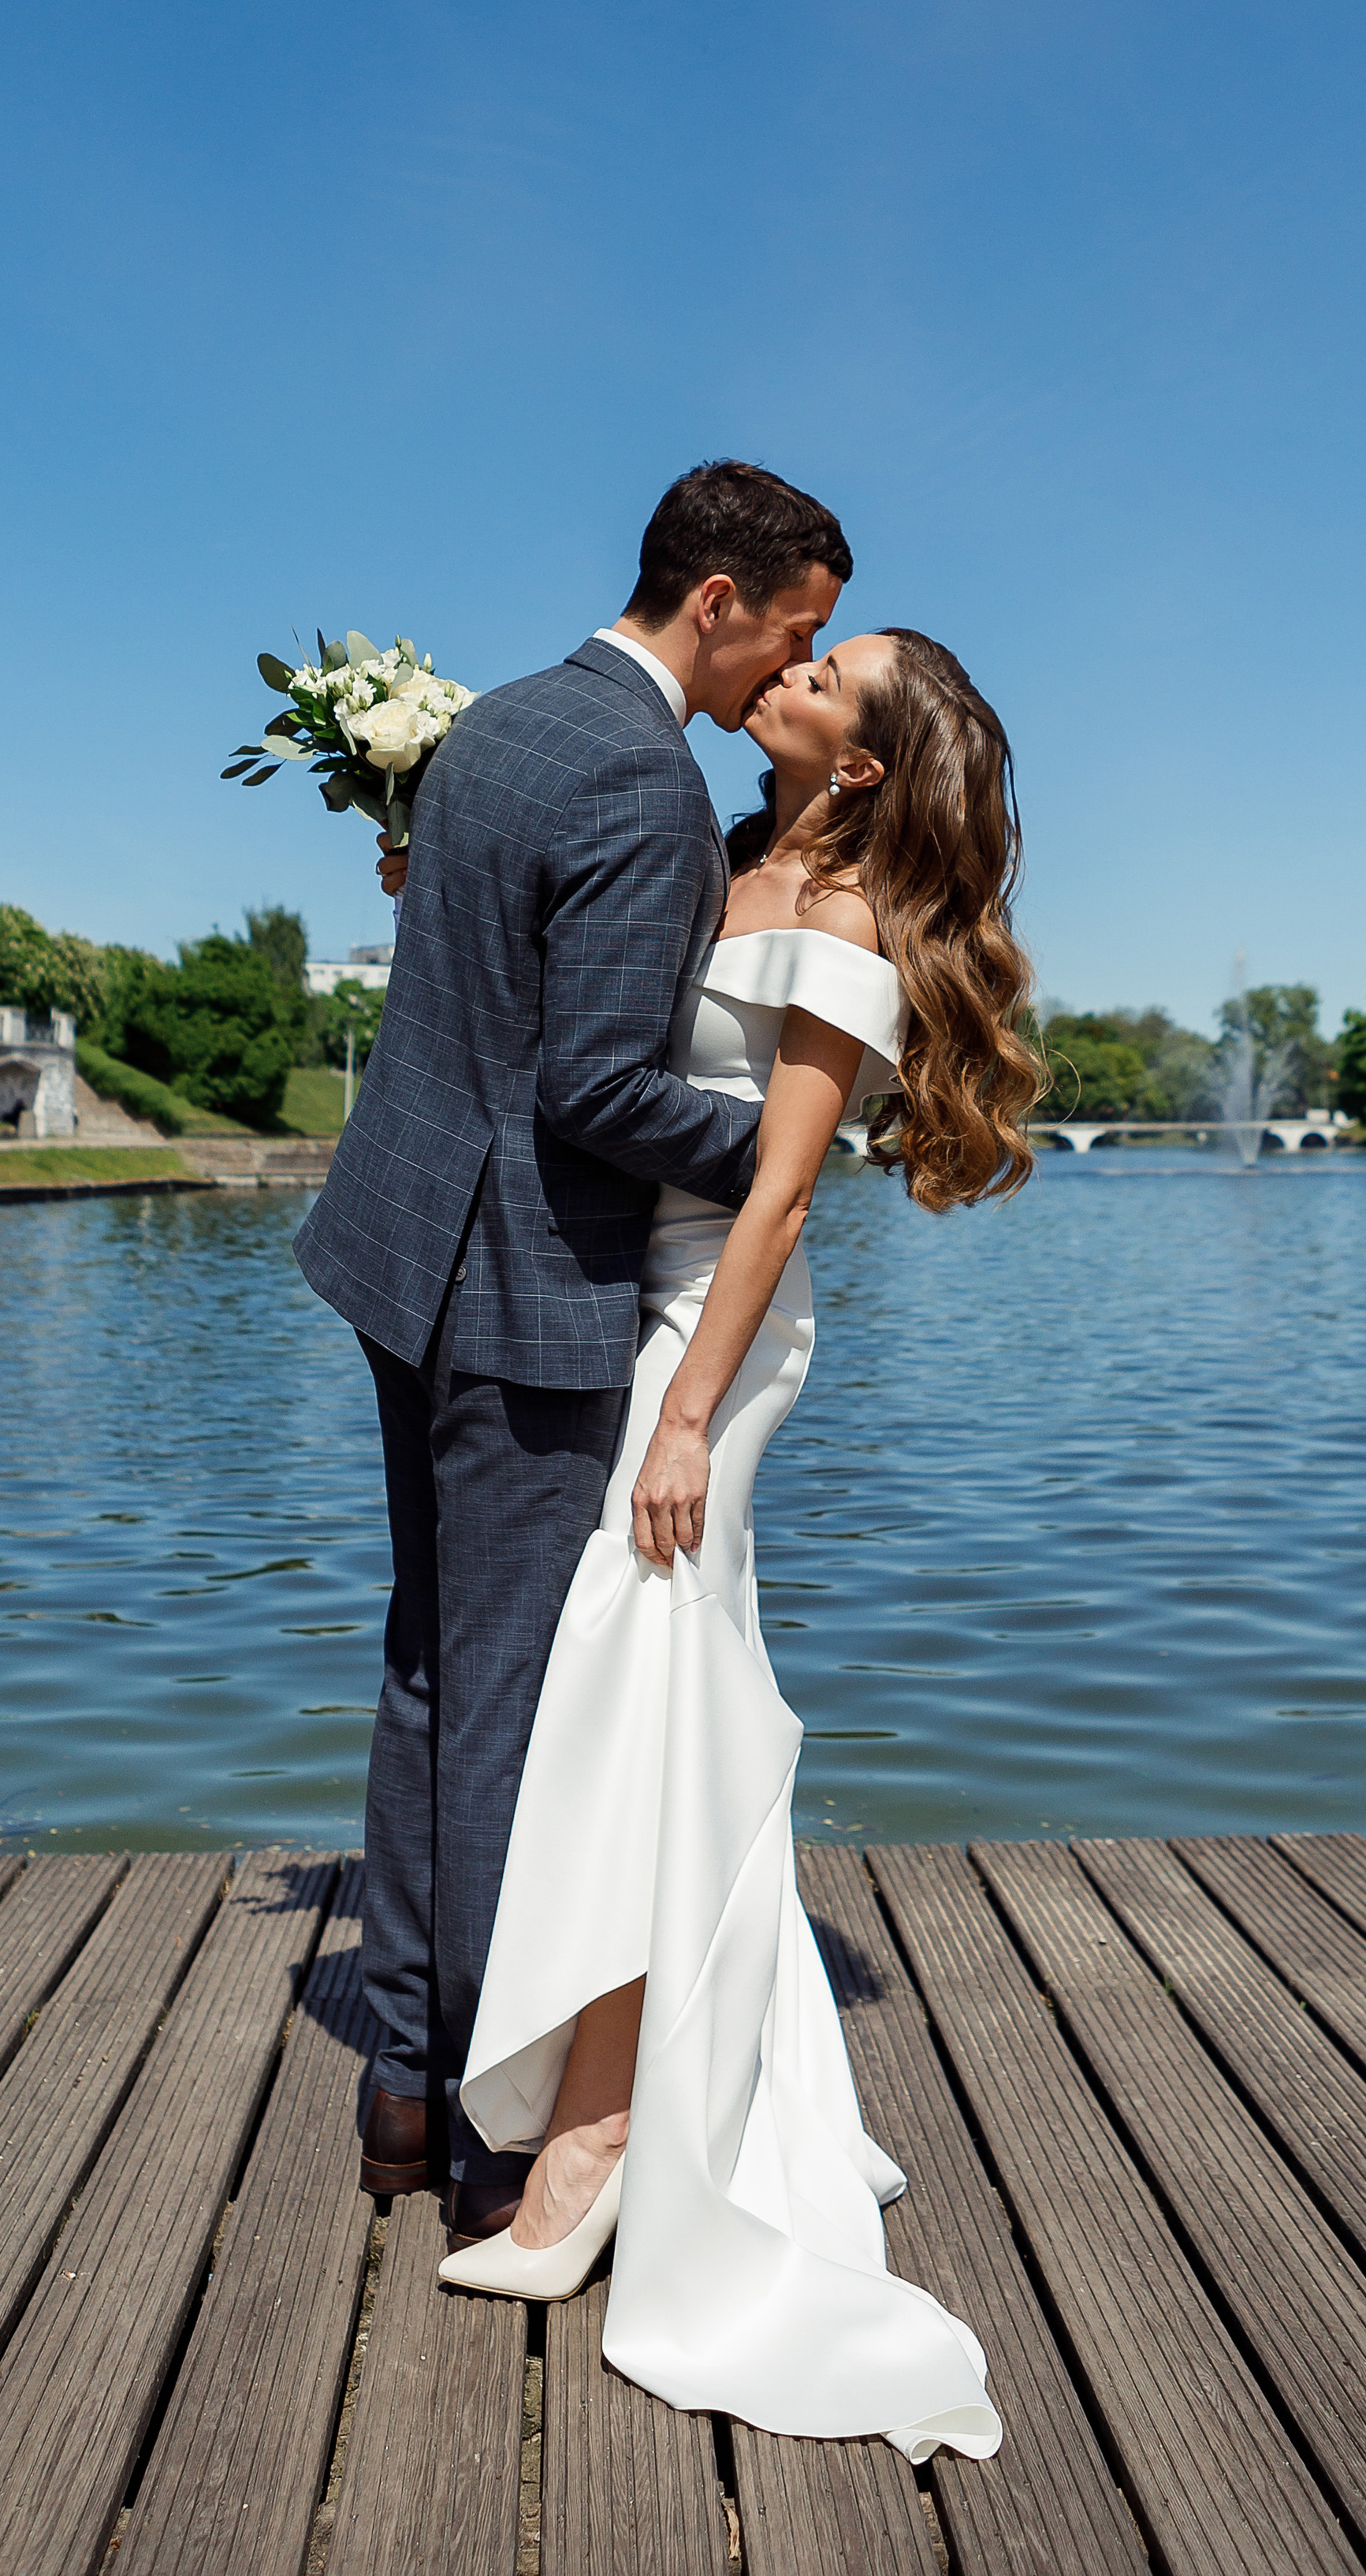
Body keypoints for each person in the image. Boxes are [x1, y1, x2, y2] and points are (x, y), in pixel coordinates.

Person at [444, 624, 1040, 2464]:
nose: (786, 664)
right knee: (655, 1697)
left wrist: (688, 1412)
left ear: (853, 762)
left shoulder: (844, 925)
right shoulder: (722, 854)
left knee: (639, 1669)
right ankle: (646, 2086)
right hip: (624, 1304)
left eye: (823, 669)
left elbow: (778, 1194)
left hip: (713, 1334)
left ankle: (604, 2139)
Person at [293, 460, 851, 2245]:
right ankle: (473, 2115)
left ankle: (394, 2072)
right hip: (521, 1294)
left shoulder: (507, 724)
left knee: (426, 1669)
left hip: (400, 1247)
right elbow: (595, 1087)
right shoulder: (637, 777)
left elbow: (483, 988)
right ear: (715, 602)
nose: (793, 663)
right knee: (508, 1703)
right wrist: (785, 1155)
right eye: (795, 626)